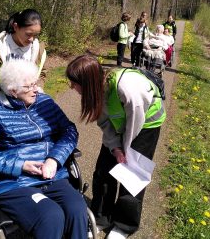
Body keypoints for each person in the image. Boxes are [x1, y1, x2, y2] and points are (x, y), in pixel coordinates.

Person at [0, 59, 88, 239]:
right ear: (13, 91)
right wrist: (20, 165)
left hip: (53, 174)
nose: (35, 89)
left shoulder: (45, 101)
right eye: (28, 87)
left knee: (77, 208)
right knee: (50, 215)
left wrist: (54, 159)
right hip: (15, 183)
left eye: (35, 83)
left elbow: (69, 130)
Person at [66, 54, 166, 239]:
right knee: (103, 171)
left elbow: (135, 124)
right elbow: (104, 123)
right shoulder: (96, 91)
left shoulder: (127, 88)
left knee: (132, 176)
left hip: (145, 125)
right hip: (121, 123)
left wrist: (126, 151)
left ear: (87, 81)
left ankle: (124, 225)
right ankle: (101, 217)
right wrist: (114, 148)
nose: (72, 87)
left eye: (74, 83)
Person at [0, 9, 47, 109]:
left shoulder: (38, 50)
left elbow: (41, 73)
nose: (32, 39)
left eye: (36, 35)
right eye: (28, 34)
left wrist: (38, 88)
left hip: (28, 105)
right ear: (16, 27)